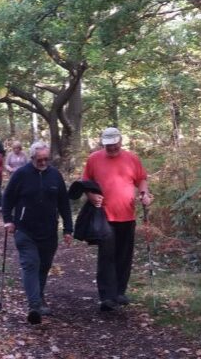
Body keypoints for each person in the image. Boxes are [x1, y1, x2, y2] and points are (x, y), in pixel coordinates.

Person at [82, 127, 153, 311]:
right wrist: (90, 195)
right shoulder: (94, 159)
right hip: (104, 215)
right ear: (103, 144)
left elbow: (141, 179)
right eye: (108, 146)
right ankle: (106, 296)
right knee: (107, 255)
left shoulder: (132, 158)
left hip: (127, 215)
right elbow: (85, 182)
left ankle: (119, 291)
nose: (112, 149)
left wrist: (144, 193)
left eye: (114, 145)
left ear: (120, 141)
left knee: (124, 255)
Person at [2, 141, 73, 324]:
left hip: (49, 231)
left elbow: (64, 203)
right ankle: (34, 306)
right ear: (32, 157)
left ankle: (39, 297)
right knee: (30, 264)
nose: (43, 162)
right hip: (25, 230)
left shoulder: (55, 176)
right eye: (39, 159)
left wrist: (68, 229)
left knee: (44, 266)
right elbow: (8, 198)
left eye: (46, 159)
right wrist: (8, 220)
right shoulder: (21, 175)